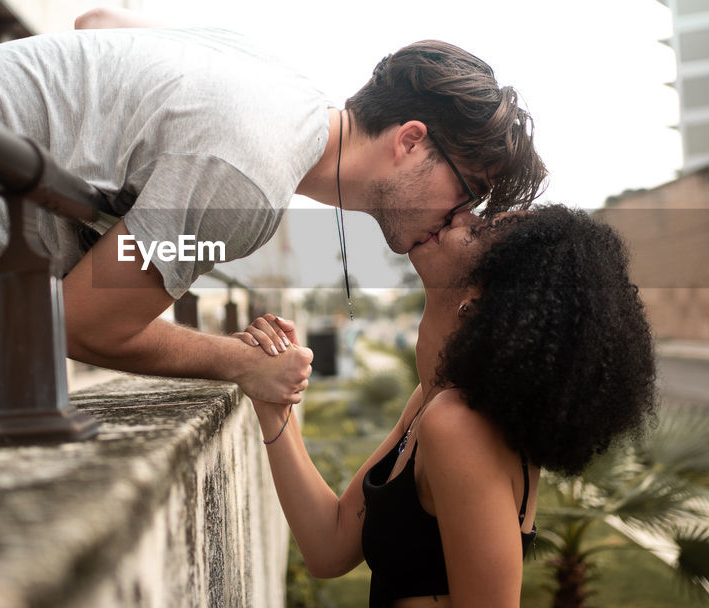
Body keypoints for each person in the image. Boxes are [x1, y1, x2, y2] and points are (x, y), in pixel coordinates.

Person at [0, 8, 546, 494]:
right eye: (464, 187)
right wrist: (242, 363)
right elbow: (86, 325)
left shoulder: (278, 90)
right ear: (411, 142)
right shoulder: (245, 180)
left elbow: (99, 26)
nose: (458, 215)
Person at [235, 205, 657, 607]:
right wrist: (275, 406)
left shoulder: (460, 426)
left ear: (483, 299)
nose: (461, 215)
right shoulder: (433, 401)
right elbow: (329, 546)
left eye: (477, 231)